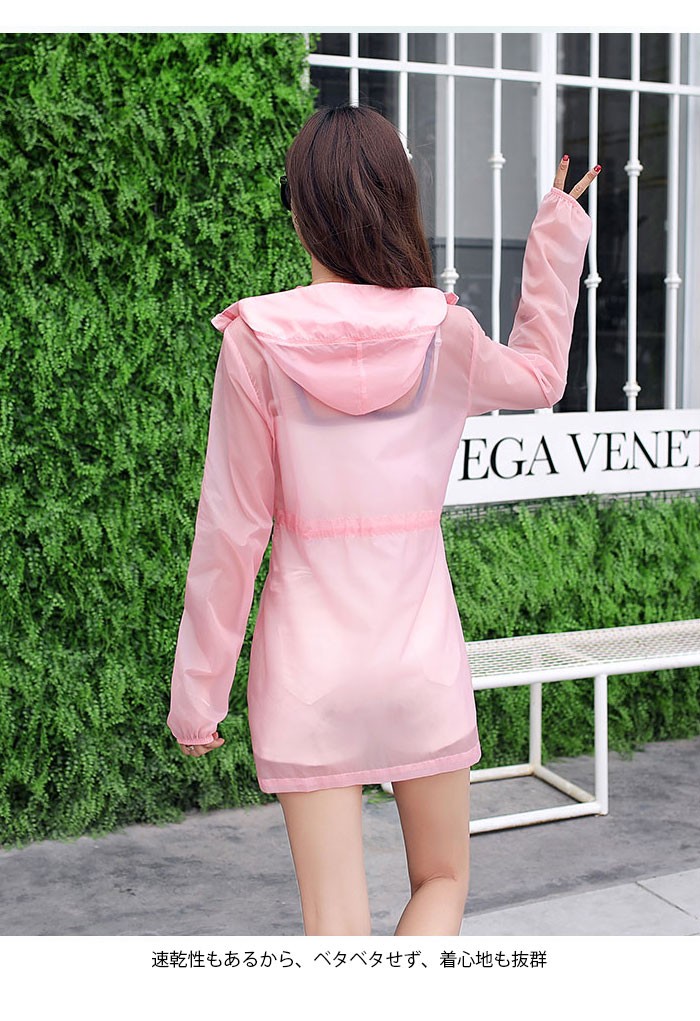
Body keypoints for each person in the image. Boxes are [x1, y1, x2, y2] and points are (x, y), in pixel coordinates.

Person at [166, 103, 597, 937]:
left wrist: (198, 697)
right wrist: (557, 229)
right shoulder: (445, 333)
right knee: (441, 879)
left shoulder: (255, 341)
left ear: (301, 213)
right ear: (398, 202)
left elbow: (231, 530)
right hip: (420, 665)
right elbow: (542, 376)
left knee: (336, 929)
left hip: (307, 674)